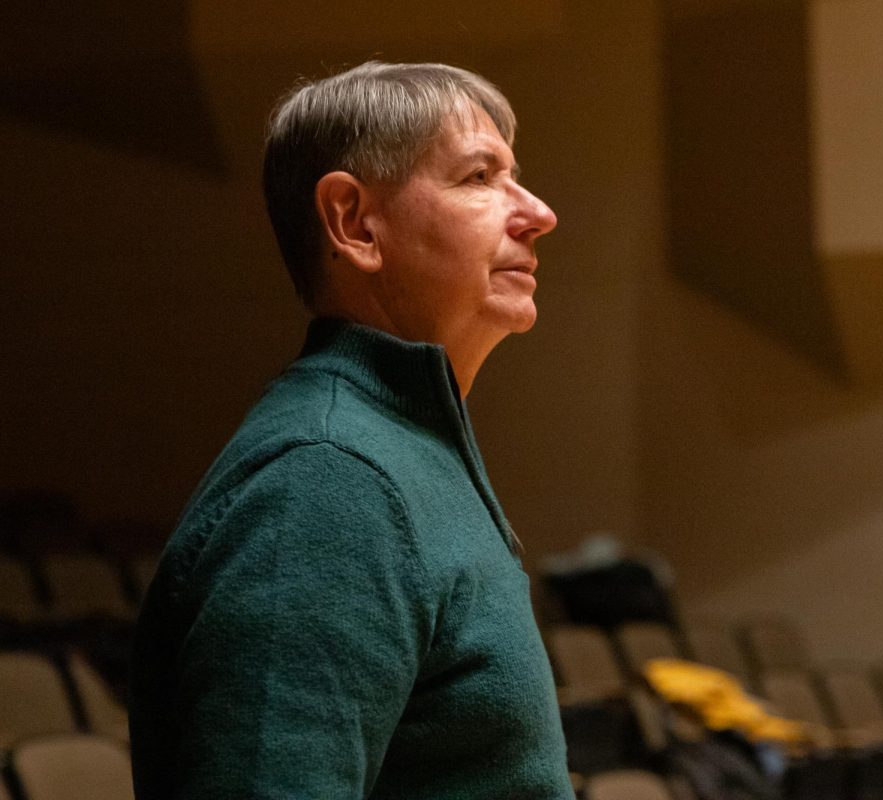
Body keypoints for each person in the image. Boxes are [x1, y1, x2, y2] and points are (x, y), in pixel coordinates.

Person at [129, 61, 570, 799]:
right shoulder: (326, 481)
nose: (538, 211)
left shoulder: (399, 446)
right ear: (355, 223)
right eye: (479, 177)